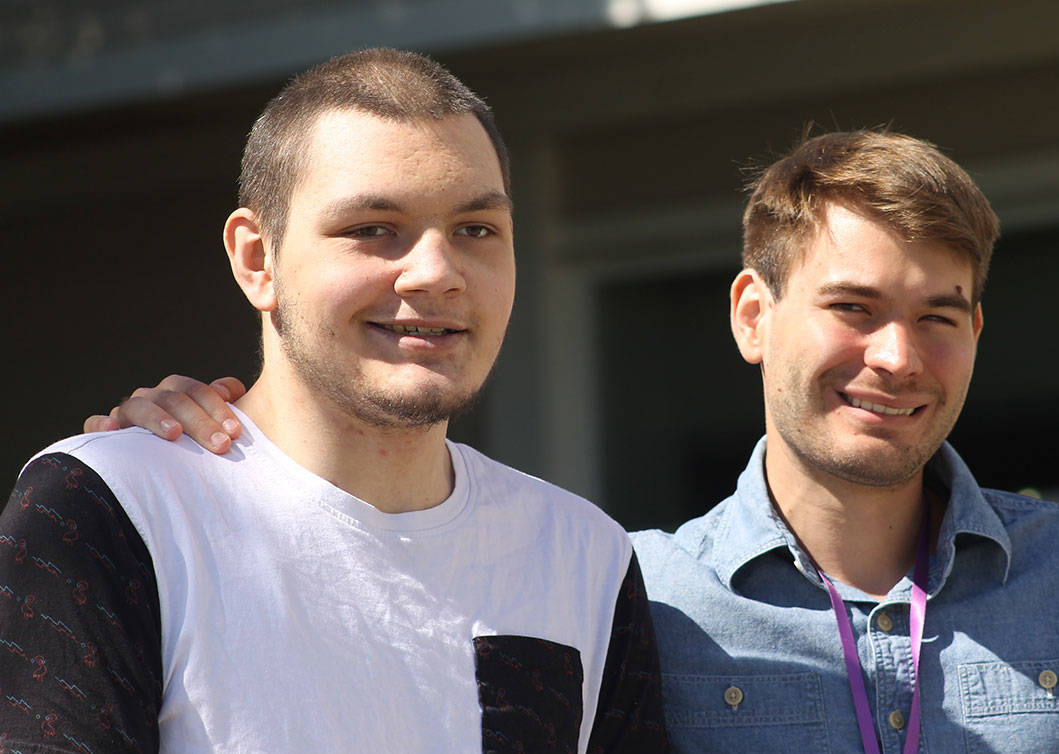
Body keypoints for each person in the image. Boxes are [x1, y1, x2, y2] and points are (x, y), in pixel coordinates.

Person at [78, 130, 1059, 752]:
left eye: (938, 317)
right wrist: (204, 441)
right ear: (752, 317)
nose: (897, 357)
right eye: (852, 309)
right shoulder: (617, 590)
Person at [0, 49, 666, 753]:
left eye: (476, 229)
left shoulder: (583, 553)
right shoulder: (117, 508)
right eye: (373, 228)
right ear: (257, 260)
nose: (437, 273)